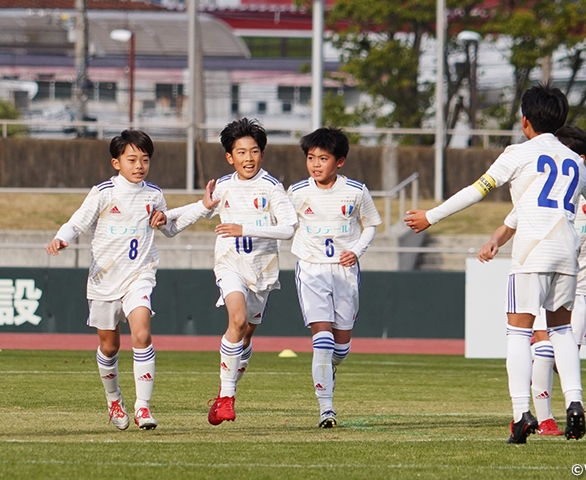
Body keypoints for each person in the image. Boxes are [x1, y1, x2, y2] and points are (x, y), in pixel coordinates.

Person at [404, 83, 586, 444]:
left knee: (519, 332)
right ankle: (575, 403)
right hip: (568, 254)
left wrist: (432, 215)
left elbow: (478, 189)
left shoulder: (517, 153)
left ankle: (522, 414)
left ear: (525, 122)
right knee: (562, 331)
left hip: (531, 251)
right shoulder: (572, 159)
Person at [45, 130, 217, 431]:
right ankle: (114, 400)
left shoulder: (154, 194)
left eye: (145, 159)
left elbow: (169, 226)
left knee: (142, 334)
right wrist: (62, 238)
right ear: (116, 162)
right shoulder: (103, 192)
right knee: (109, 347)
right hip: (104, 280)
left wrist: (202, 207)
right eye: (132, 159)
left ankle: (143, 408)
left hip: (139, 276)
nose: (139, 165)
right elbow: (78, 222)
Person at [477, 125, 586, 436]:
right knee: (549, 345)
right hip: (563, 274)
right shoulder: (547, 185)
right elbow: (511, 222)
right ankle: (549, 417)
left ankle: (537, 412)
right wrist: (494, 241)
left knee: (555, 350)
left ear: (578, 156)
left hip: (580, 283)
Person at [162, 118, 298, 426]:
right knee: (236, 319)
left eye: (253, 151)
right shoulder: (223, 186)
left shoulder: (272, 188)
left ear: (261, 154)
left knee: (246, 334)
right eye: (241, 152)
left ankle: (230, 381)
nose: (248, 158)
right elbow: (199, 208)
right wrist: (165, 218)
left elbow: (289, 228)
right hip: (230, 264)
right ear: (229, 156)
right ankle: (226, 398)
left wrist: (245, 228)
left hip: (262, 271)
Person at [287, 127, 382, 428]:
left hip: (344, 273)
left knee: (339, 348)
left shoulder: (356, 191)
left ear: (339, 162)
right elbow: (283, 224)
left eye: (323, 158)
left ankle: (330, 369)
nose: (315, 164)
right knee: (323, 341)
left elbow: (370, 225)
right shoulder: (297, 193)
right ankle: (326, 409)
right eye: (311, 158)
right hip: (311, 268)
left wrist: (356, 250)